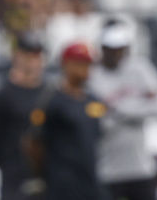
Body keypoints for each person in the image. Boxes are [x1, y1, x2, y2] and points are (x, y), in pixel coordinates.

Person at [89, 19, 157, 200]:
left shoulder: (140, 68)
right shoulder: (92, 75)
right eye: (111, 48)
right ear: (102, 48)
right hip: (106, 169)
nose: (116, 54)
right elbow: (95, 117)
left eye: (120, 48)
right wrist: (138, 105)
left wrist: (119, 109)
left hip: (141, 167)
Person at [25, 42, 108, 200]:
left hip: (90, 181)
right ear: (65, 64)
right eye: (80, 64)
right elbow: (33, 142)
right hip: (61, 184)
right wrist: (40, 176)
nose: (85, 69)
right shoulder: (51, 99)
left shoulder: (93, 100)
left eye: (88, 64)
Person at [0, 36, 47, 200]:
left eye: (37, 56)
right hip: (14, 175)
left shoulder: (49, 92)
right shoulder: (4, 94)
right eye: (29, 55)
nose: (34, 61)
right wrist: (8, 162)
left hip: (46, 174)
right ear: (17, 56)